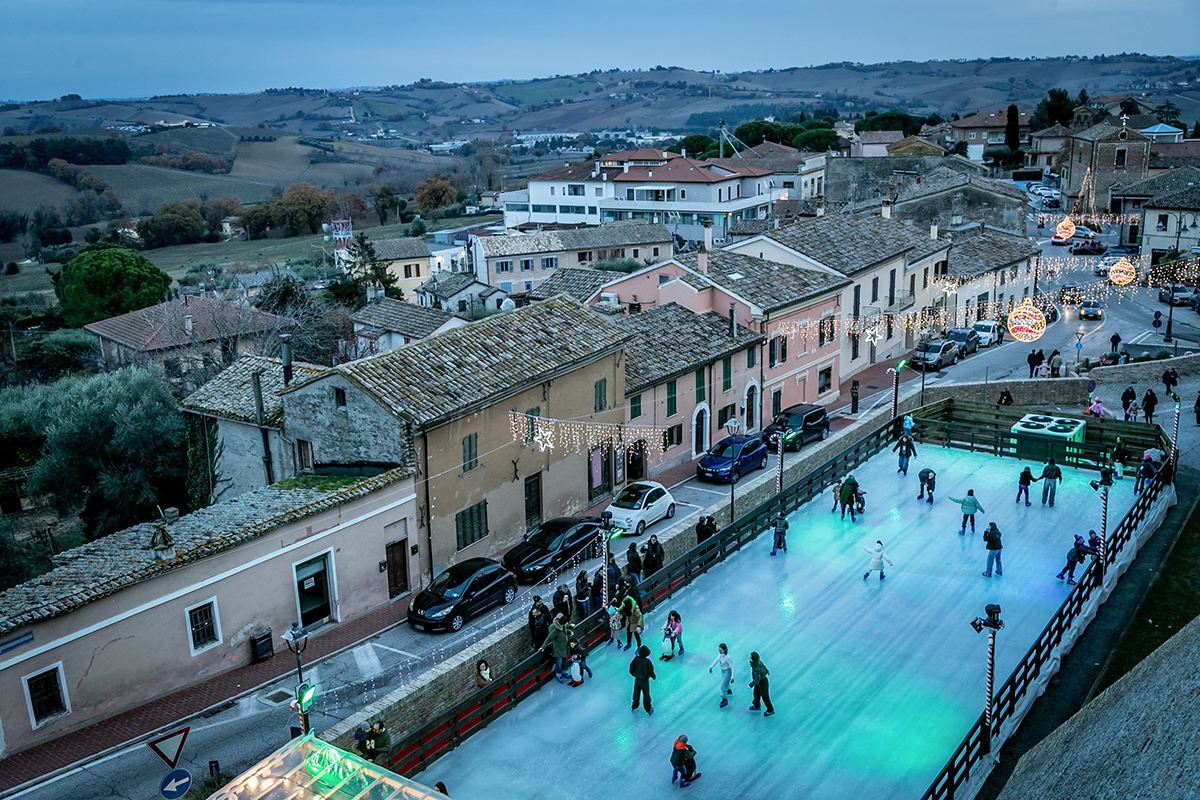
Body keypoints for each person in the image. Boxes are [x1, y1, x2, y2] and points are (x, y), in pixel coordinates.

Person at [542, 613, 573, 683]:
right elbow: (549, 638)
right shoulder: (555, 630)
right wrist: (543, 647)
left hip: (564, 647)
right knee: (559, 662)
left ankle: (563, 672)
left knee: (564, 661)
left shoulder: (563, 626)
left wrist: (570, 632)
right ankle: (558, 674)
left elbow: (565, 631)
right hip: (558, 648)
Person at [629, 644, 656, 715]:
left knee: (636, 693)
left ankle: (634, 706)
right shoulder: (647, 661)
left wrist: (634, 674)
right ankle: (648, 708)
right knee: (646, 694)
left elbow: (631, 667)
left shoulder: (636, 659)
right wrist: (653, 676)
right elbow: (650, 670)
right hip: (644, 681)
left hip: (637, 679)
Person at [747, 652, 775, 716]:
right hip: (759, 681)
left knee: (765, 696)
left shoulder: (756, 667)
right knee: (756, 693)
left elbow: (757, 678)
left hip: (762, 682)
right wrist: (767, 671)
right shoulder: (757, 662)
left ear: (753, 659)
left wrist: (751, 685)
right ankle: (756, 705)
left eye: (750, 657)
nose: (749, 658)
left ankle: (770, 710)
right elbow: (764, 667)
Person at [709, 643, 735, 708]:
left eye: (720, 650)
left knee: (723, 686)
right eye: (719, 650)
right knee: (726, 682)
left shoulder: (727, 657)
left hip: (727, 672)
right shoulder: (720, 655)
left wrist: (732, 677)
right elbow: (717, 660)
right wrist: (711, 667)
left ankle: (724, 699)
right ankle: (729, 690)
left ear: (725, 650)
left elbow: (732, 667)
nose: (719, 651)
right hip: (722, 671)